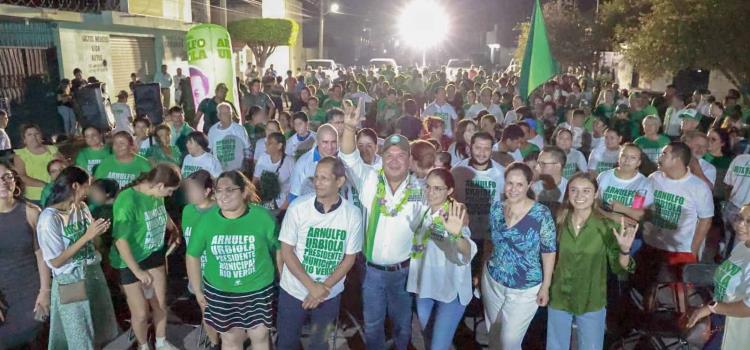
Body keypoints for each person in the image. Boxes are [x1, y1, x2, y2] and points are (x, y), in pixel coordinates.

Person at [339, 101, 427, 350]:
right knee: (373, 324)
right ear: (382, 158)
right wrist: (348, 128)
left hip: (404, 273)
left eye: (401, 156)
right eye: (390, 155)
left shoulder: (420, 192)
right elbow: (348, 156)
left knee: (402, 325)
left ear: (410, 161)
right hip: (373, 273)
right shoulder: (369, 181)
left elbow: (431, 227)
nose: (395, 161)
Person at [186, 171, 279, 350]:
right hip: (221, 291)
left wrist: (280, 279)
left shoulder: (262, 217)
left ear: (244, 192)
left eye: (230, 190)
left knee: (259, 336)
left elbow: (278, 249)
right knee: (230, 338)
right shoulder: (207, 221)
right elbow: (192, 255)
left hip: (257, 289)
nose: (223, 196)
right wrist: (198, 290)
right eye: (219, 190)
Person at [277, 157, 363, 350]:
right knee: (286, 343)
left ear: (339, 182)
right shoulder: (298, 207)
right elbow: (287, 251)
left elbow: (349, 258)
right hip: (294, 290)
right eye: (316, 177)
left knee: (319, 344)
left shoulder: (352, 214)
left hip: (329, 294)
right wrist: (312, 287)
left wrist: (323, 287)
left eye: (324, 178)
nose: (317, 182)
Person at [547, 172, 637, 350]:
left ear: (596, 194)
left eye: (586, 191)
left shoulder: (608, 226)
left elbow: (621, 269)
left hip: (591, 298)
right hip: (558, 296)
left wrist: (625, 250)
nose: (580, 196)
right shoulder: (557, 222)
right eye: (574, 190)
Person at [37, 166, 119, 349]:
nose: (89, 190)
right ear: (75, 186)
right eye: (86, 186)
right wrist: (86, 237)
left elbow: (93, 241)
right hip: (70, 280)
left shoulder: (81, 207)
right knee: (79, 333)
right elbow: (56, 261)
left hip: (92, 271)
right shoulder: (49, 219)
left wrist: (98, 233)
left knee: (98, 327)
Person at [482, 162, 556, 349]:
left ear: (529, 185)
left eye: (519, 184)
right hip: (493, 280)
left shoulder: (541, 214)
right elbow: (489, 241)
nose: (513, 189)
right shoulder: (496, 208)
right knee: (494, 335)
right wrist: (480, 272)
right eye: (509, 183)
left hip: (525, 287)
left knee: (510, 342)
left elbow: (548, 252)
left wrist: (546, 286)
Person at [110, 164, 181, 350]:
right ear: (159, 186)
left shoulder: (155, 195)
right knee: (141, 313)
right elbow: (120, 241)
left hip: (154, 254)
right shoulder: (127, 201)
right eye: (170, 191)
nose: (170, 195)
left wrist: (173, 228)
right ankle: (143, 345)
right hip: (130, 260)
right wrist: (138, 271)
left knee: (159, 304)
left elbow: (161, 212)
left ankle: (161, 341)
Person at [408, 168, 476, 350]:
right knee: (430, 341)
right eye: (428, 187)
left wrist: (456, 236)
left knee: (437, 346)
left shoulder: (456, 214)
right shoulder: (422, 211)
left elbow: (467, 251)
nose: (431, 192)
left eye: (438, 189)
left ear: (450, 191)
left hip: (450, 291)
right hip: (425, 287)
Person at [0, 161, 51, 348]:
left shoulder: (31, 212)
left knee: (35, 336)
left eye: (7, 177)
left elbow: (42, 255)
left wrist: (45, 291)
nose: (3, 183)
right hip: (3, 293)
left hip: (31, 288)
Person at [687, 203, 750, 350]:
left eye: (749, 221)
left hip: (738, 328)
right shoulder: (743, 245)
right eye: (740, 218)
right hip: (722, 319)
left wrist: (713, 308)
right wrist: (711, 309)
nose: (740, 224)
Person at [181, 170, 219, 349]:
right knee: (207, 312)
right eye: (188, 189)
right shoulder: (187, 210)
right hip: (198, 274)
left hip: (218, 274)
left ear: (207, 191)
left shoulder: (220, 210)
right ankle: (214, 343)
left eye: (194, 190)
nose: (189, 194)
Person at [451, 132, 505, 246]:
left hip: (488, 235)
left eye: (486, 149)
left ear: (491, 151)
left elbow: (504, 204)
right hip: (462, 231)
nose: (482, 153)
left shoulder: (501, 173)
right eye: (478, 148)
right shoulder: (458, 170)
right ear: (470, 148)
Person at [13, 124, 63, 202]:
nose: (34, 137)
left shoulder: (52, 150)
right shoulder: (20, 155)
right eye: (29, 135)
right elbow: (22, 176)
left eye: (36, 134)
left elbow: (64, 167)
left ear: (41, 136)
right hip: (34, 198)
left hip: (56, 193)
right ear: (24, 139)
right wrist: (45, 185)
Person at [289, 124, 338, 200]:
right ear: (317, 141)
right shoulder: (303, 163)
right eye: (325, 142)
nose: (330, 147)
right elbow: (294, 196)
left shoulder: (344, 158)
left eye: (333, 142)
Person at [253, 132, 295, 211]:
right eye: (266, 143)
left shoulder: (290, 162)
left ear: (279, 145)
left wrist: (284, 206)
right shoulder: (262, 158)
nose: (266, 145)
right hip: (264, 204)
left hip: (283, 205)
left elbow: (295, 186)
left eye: (270, 143)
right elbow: (255, 180)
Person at [208, 102, 251, 172]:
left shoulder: (239, 129)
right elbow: (211, 151)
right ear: (218, 116)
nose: (227, 115)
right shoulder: (212, 130)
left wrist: (245, 166)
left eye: (229, 113)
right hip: (219, 171)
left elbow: (247, 149)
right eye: (224, 113)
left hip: (237, 170)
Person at [532, 146, 569, 214]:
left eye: (543, 164)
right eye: (538, 163)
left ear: (558, 166)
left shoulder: (570, 189)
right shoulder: (533, 188)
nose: (537, 168)